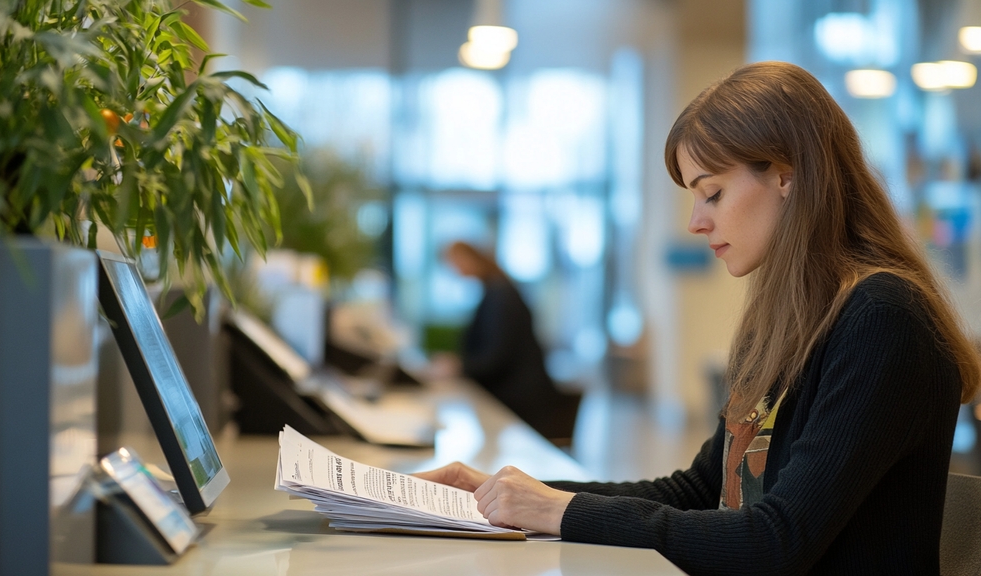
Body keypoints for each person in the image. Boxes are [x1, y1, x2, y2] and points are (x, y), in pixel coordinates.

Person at [415, 61, 981, 575]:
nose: (695, 222)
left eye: (711, 193)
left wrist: (560, 510)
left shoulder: (883, 320)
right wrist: (502, 494)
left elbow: (779, 540)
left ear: (788, 175)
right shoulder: (785, 321)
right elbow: (697, 490)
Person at [441, 241, 577, 441]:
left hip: (518, 399)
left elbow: (497, 356)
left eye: (454, 262)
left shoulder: (500, 295)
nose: (454, 269)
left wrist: (459, 367)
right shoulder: (497, 290)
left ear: (471, 258)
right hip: (518, 394)